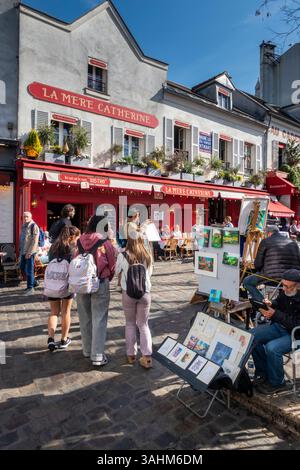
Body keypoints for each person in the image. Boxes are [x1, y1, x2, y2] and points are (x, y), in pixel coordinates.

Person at [252, 269, 300, 395]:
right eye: (282, 284)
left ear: (298, 286)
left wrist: (275, 314)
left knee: (272, 348)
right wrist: (271, 304)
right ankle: (263, 373)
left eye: (287, 286)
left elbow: (296, 323)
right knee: (251, 336)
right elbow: (279, 303)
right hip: (279, 326)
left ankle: (277, 383)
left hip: (295, 334)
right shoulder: (286, 292)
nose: (284, 288)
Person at [76, 215, 116, 367]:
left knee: (84, 317)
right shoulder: (105, 242)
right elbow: (112, 263)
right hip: (100, 281)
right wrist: (109, 277)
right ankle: (97, 355)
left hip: (82, 283)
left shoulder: (79, 240)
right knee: (99, 319)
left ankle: (86, 349)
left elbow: (75, 259)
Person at [116, 230, 153, 368]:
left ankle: (131, 355)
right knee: (143, 325)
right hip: (145, 293)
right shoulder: (147, 255)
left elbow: (116, 272)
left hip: (128, 293)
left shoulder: (123, 255)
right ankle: (147, 357)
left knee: (130, 323)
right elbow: (150, 274)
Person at [243, 225, 300, 302]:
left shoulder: (266, 241)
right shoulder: (293, 242)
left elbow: (258, 264)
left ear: (269, 233)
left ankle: (264, 304)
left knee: (247, 282)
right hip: (292, 280)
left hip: (272, 277)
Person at [47, 226, 80, 351]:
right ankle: (64, 339)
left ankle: (50, 338)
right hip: (66, 284)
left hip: (52, 282)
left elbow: (49, 261)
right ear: (72, 237)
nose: (77, 240)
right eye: (77, 237)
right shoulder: (72, 249)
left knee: (54, 312)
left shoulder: (53, 247)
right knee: (66, 311)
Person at [19, 211, 39, 295]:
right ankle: (34, 282)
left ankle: (30, 288)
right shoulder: (24, 226)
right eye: (24, 217)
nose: (25, 218)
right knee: (22, 267)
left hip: (30, 252)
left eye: (27, 216)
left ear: (31, 217)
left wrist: (30, 252)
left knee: (29, 269)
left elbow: (35, 241)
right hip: (23, 251)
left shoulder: (34, 226)